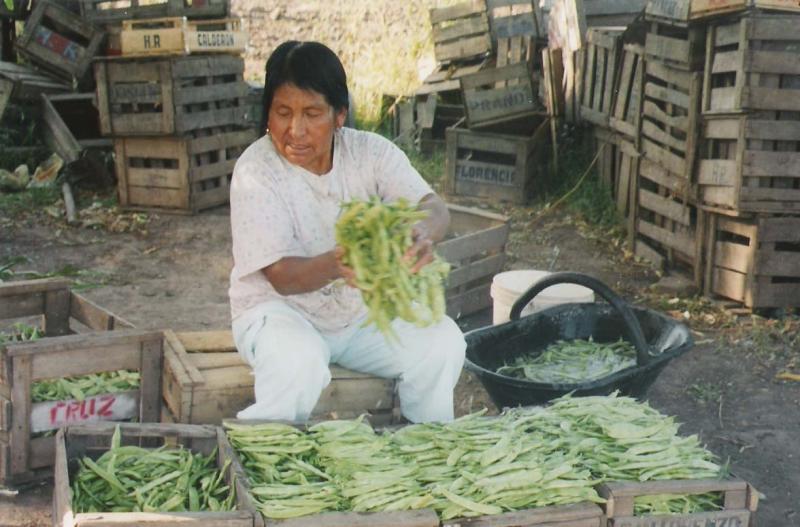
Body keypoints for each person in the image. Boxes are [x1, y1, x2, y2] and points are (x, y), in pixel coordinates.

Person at [228, 40, 466, 424]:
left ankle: (426, 449)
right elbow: (282, 278)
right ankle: (262, 463)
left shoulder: (370, 153)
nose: (295, 130)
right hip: (279, 313)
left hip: (357, 317)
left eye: (312, 113)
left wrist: (424, 233)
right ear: (267, 113)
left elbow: (433, 207)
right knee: (296, 365)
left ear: (340, 115)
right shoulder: (256, 171)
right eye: (282, 112)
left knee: (442, 343)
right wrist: (341, 263)